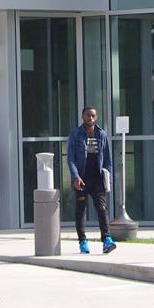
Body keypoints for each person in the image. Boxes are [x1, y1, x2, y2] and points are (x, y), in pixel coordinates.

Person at [65, 106, 116, 254]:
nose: (90, 118)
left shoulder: (102, 134)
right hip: (81, 177)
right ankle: (82, 241)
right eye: (88, 115)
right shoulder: (75, 134)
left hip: (97, 177)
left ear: (96, 117)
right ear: (83, 116)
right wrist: (76, 176)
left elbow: (107, 160)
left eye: (93, 116)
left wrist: (108, 180)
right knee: (81, 210)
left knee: (102, 208)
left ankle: (107, 239)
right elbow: (70, 159)